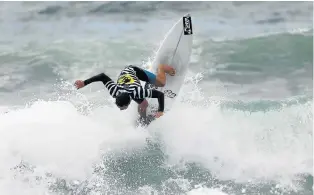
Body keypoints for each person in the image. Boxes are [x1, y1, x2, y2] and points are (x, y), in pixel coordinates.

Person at [74, 64, 175, 118]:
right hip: (126, 78)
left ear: (130, 101)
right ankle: (143, 119)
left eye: (123, 107)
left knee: (161, 83)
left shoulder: (138, 92)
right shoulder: (114, 91)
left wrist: (160, 111)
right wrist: (84, 83)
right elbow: (102, 76)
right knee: (143, 104)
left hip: (134, 71)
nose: (121, 109)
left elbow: (160, 95)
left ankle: (161, 68)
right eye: (120, 107)